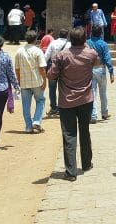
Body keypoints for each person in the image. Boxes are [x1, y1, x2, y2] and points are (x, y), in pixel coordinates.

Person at [47, 27, 99, 181]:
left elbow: (51, 75)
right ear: (84, 40)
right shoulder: (91, 53)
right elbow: (97, 63)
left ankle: (70, 171)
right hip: (86, 100)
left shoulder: (61, 56)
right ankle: (87, 163)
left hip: (66, 101)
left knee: (69, 134)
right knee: (85, 130)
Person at [15, 30, 48, 133]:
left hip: (24, 83)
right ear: (35, 40)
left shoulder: (19, 51)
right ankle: (37, 121)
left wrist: (19, 80)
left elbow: (17, 69)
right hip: (36, 82)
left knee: (26, 105)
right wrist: (44, 80)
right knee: (40, 101)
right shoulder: (38, 51)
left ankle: (28, 127)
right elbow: (42, 68)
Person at [87, 26, 114, 123]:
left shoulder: (87, 43)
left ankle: (93, 115)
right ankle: (104, 113)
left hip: (90, 69)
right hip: (101, 69)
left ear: (91, 32)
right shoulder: (103, 44)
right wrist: (111, 72)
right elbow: (107, 58)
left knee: (92, 93)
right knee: (103, 92)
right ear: (101, 33)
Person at [44, 29, 70, 117]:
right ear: (67, 35)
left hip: (53, 67)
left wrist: (43, 67)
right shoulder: (69, 44)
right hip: (65, 68)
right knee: (63, 88)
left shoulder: (53, 43)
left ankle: (54, 108)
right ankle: (63, 107)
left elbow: (46, 56)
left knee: (52, 88)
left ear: (58, 35)